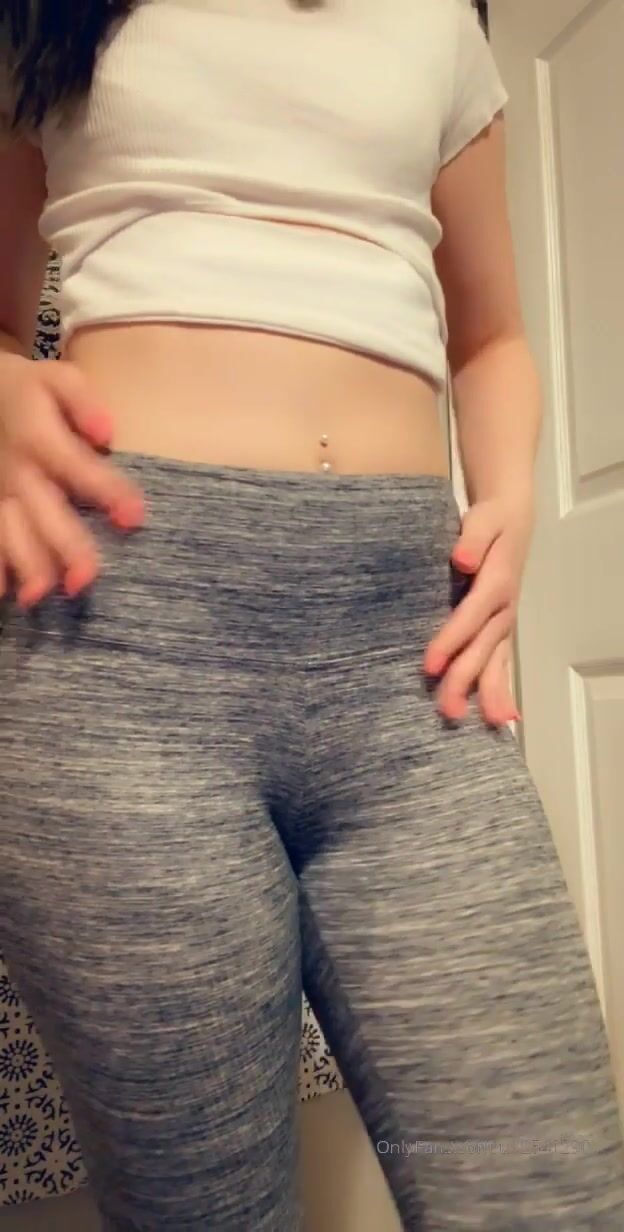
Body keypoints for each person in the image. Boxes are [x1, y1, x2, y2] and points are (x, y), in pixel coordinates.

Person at [0, 1, 622, 1228]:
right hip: (118, 655)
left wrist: (508, 500)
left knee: (553, 1190)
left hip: (412, 665)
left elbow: (492, 333)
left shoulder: (440, 24)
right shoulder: (45, 16)